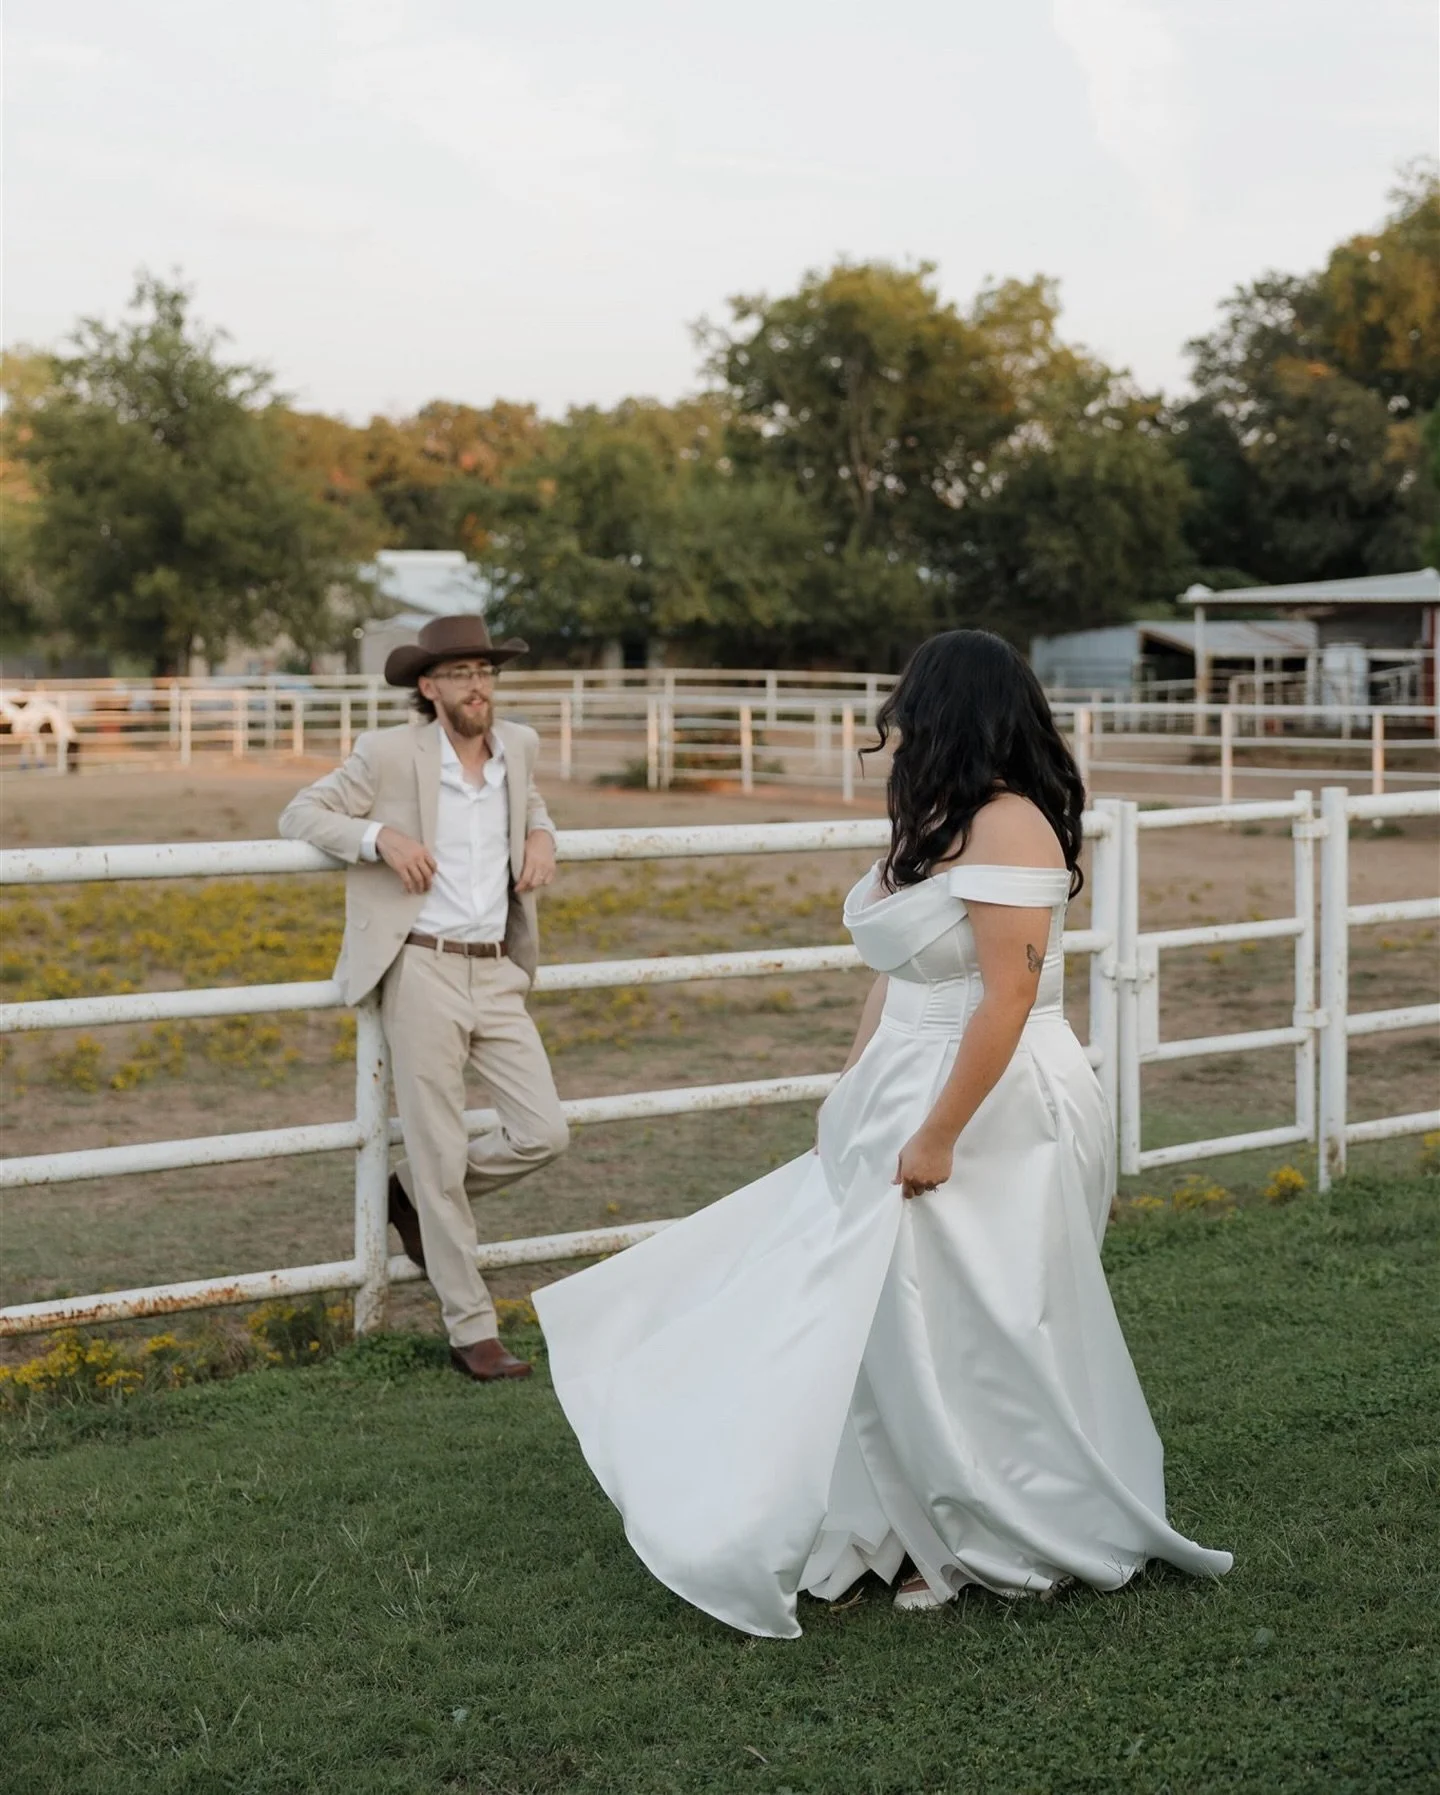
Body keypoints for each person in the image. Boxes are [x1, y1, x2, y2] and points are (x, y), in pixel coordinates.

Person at [535, 629, 1232, 1636]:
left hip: (995, 1097)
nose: (896, 725)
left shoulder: (1014, 827)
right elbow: (897, 972)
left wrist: (941, 1131)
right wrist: (853, 1083)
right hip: (906, 1077)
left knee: (980, 1318)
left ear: (953, 711)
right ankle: (898, 1515)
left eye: (911, 707)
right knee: (885, 1319)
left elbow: (1005, 997)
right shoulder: (936, 818)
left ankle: (989, 1531)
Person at [280, 615, 568, 1384]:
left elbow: (529, 805)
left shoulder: (521, 746)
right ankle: (471, 1330)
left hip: (497, 968)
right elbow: (301, 813)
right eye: (462, 673)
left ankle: (408, 1194)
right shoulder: (387, 752)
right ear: (429, 687)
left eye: (487, 670)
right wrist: (382, 838)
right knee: (439, 1145)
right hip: (422, 970)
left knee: (544, 1131)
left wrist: (543, 837)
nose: (479, 685)